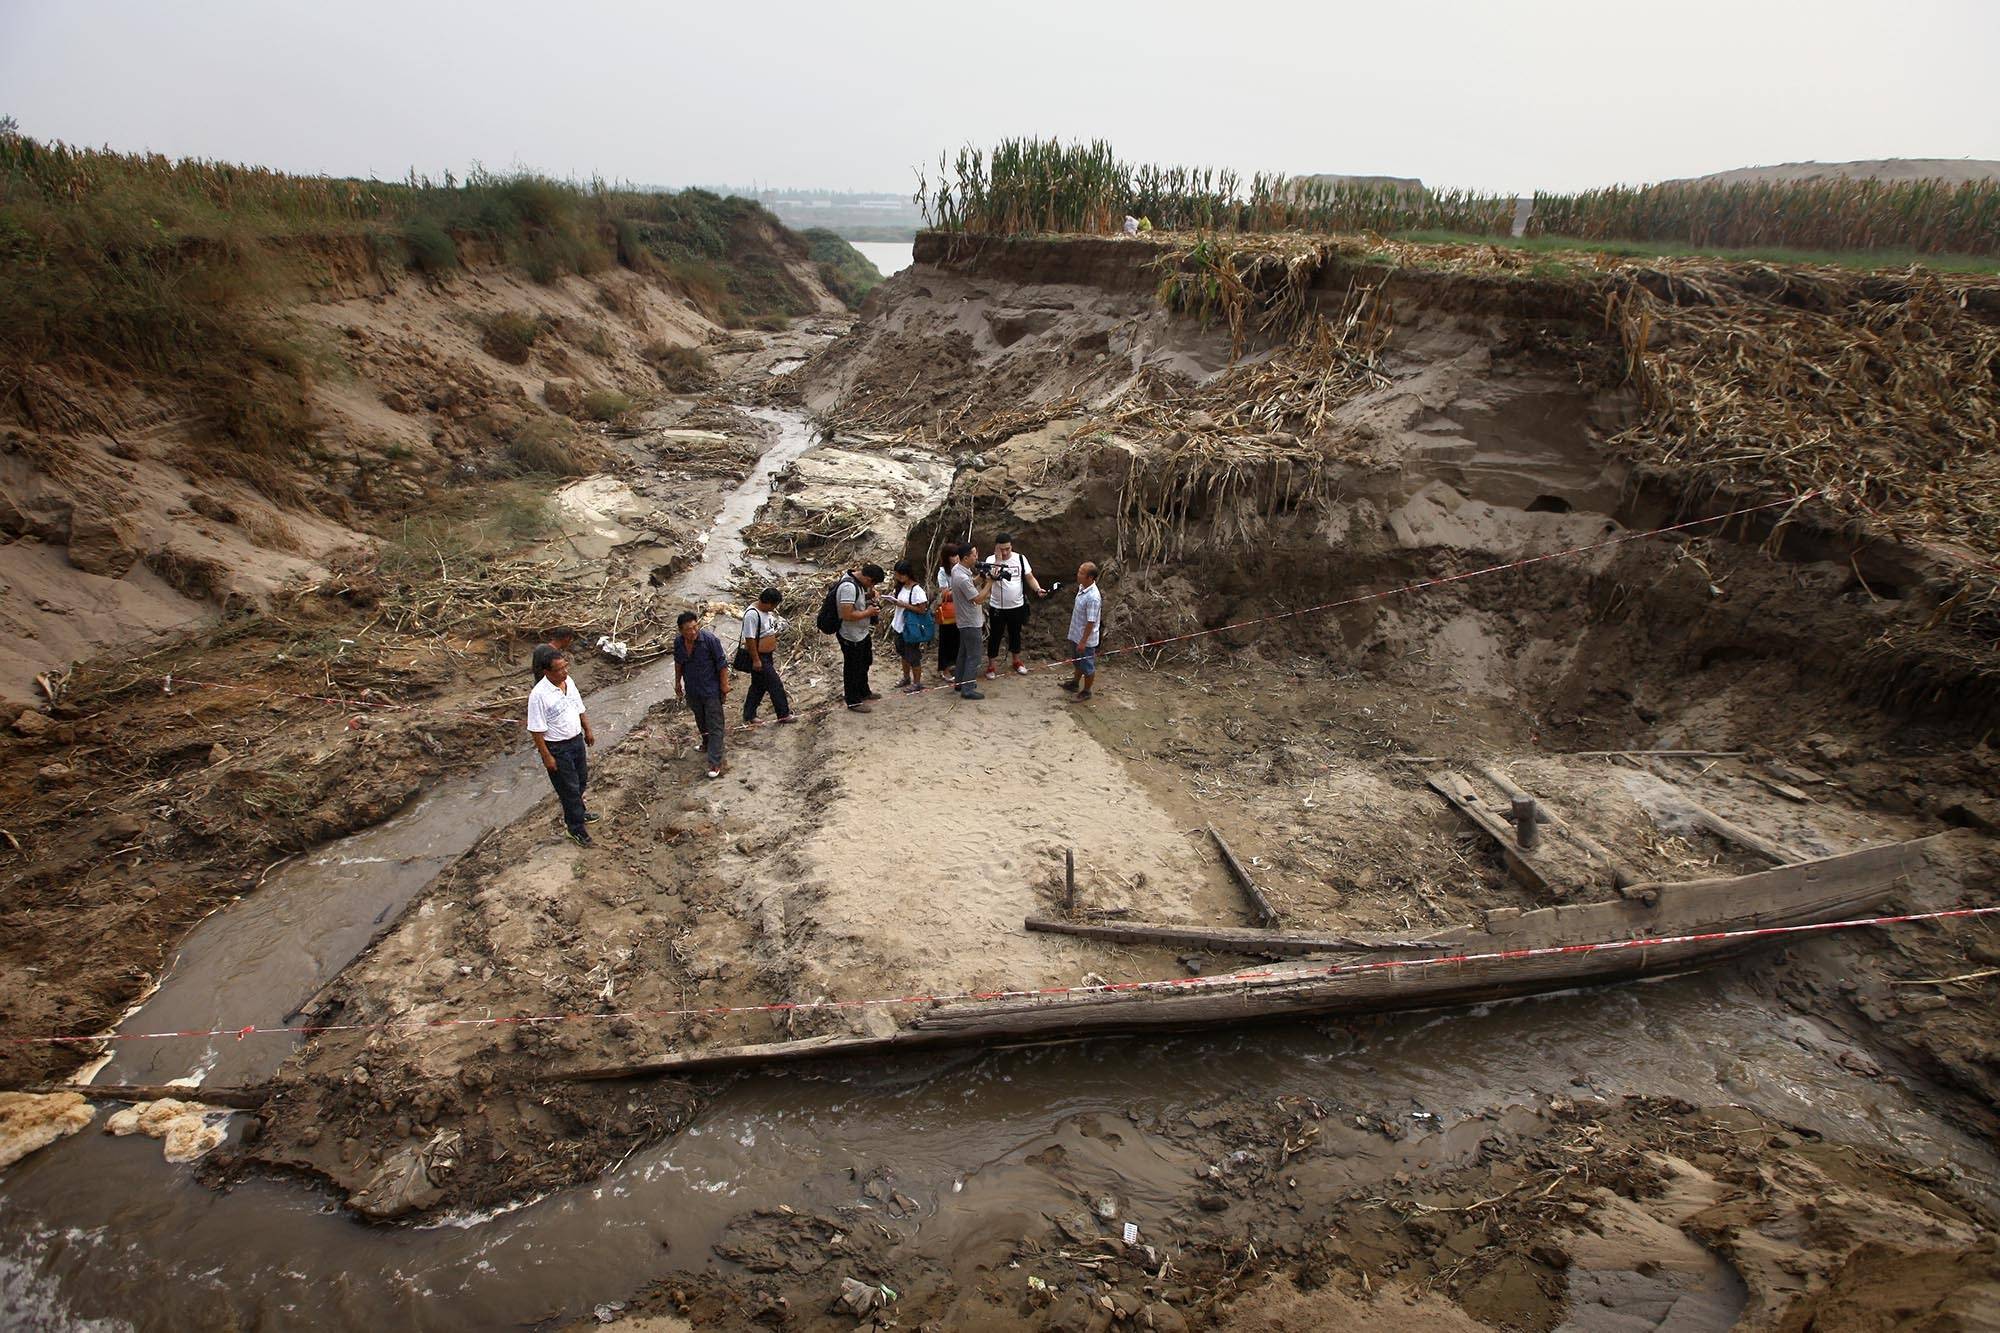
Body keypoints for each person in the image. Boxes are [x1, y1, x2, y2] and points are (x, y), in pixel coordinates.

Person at [527, 651, 596, 847]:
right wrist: (546, 756)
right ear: (546, 671)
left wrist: (587, 729)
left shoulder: (569, 682)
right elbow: (536, 730)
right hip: (557, 747)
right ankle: (575, 829)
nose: (564, 672)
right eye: (559, 669)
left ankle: (580, 812)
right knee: (569, 789)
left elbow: (579, 707)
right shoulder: (538, 696)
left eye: (566, 666)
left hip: (576, 741)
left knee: (581, 780)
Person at [672, 610, 731, 778]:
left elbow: (722, 665)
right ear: (680, 630)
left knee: (715, 724)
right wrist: (678, 683)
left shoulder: (710, 641)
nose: (692, 632)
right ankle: (706, 744)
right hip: (693, 690)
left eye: (694, 627)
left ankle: (715, 762)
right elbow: (678, 663)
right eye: (688, 629)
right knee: (701, 719)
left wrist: (724, 686)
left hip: (711, 690)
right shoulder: (679, 643)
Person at [982, 531, 1049, 680]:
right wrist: (998, 559)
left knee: (1015, 634)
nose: (1005, 552)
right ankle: (992, 664)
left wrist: (1038, 589)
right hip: (997, 606)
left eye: (1008, 549)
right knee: (995, 636)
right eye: (1001, 549)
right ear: (996, 548)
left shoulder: (1020, 558)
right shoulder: (990, 560)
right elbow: (991, 577)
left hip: (1016, 605)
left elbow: (1029, 577)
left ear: (1012, 546)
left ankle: (1016, 660)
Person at [738, 588, 794, 725]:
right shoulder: (752, 615)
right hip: (759, 656)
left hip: (767, 655)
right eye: (774, 605)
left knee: (758, 686)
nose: (774, 608)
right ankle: (783, 714)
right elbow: (750, 639)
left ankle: (749, 714)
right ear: (768, 603)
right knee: (775, 684)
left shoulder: (766, 613)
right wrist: (756, 660)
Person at [835, 563, 885, 712]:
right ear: (868, 578)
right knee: (852, 668)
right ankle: (853, 701)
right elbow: (846, 614)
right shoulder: (848, 588)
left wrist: (868, 596)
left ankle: (864, 691)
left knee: (865, 662)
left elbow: (856, 602)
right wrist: (868, 612)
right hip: (850, 635)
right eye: (873, 583)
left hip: (861, 632)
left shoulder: (856, 583)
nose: (872, 586)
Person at [945, 542, 991, 700]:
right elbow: (977, 598)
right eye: (974, 554)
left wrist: (981, 577)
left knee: (964, 653)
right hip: (971, 621)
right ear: (966, 558)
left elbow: (969, 585)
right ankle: (968, 688)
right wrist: (990, 583)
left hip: (964, 620)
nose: (977, 557)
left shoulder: (958, 570)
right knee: (974, 656)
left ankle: (960, 682)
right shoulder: (962, 576)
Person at [1059, 562, 1103, 702]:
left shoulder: (1093, 598)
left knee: (1087, 666)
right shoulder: (1082, 588)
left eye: (1082, 573)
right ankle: (1075, 683)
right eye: (1079, 571)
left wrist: (1083, 641)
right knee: (1077, 662)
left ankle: (1086, 691)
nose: (1078, 575)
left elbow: (1091, 622)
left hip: (1085, 639)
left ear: (1090, 577)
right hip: (1076, 634)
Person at [886, 561, 931, 692]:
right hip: (899, 625)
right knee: (903, 654)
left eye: (901, 575)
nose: (898, 577)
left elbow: (922, 609)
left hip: (911, 628)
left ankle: (917, 682)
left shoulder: (917, 590)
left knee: (913, 656)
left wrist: (903, 605)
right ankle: (906, 677)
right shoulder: (901, 587)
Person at [934, 552, 960, 683]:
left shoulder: (961, 569)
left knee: (958, 640)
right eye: (953, 555)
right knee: (946, 641)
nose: (955, 558)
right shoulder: (943, 573)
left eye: (957, 555)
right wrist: (960, 589)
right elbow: (945, 594)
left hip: (961, 611)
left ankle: (955, 665)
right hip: (948, 612)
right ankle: (945, 669)